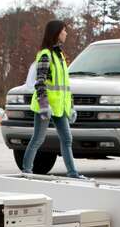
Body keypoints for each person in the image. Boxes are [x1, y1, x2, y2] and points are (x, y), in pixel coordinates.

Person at [20, 20, 84, 178]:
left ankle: (72, 172)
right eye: (63, 31)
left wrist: (71, 107)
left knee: (67, 139)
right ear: (56, 33)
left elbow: (65, 86)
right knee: (38, 139)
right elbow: (40, 82)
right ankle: (26, 171)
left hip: (60, 108)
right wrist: (43, 105)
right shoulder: (45, 55)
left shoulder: (60, 56)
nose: (66, 33)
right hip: (46, 107)